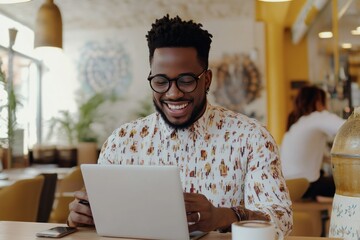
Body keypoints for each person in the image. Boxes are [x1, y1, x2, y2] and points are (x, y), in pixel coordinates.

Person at [67, 15, 292, 237]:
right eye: (161, 81)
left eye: (186, 80)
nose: (173, 93)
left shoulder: (251, 138)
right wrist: (81, 219)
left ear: (207, 80)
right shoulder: (122, 142)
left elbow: (281, 220)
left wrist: (222, 216)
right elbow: (102, 223)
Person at [280, 85, 345, 200]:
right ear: (318, 102)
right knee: (353, 181)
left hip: (290, 188)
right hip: (307, 186)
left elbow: (323, 156)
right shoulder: (317, 117)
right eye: (326, 101)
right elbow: (349, 127)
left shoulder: (296, 125)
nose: (327, 106)